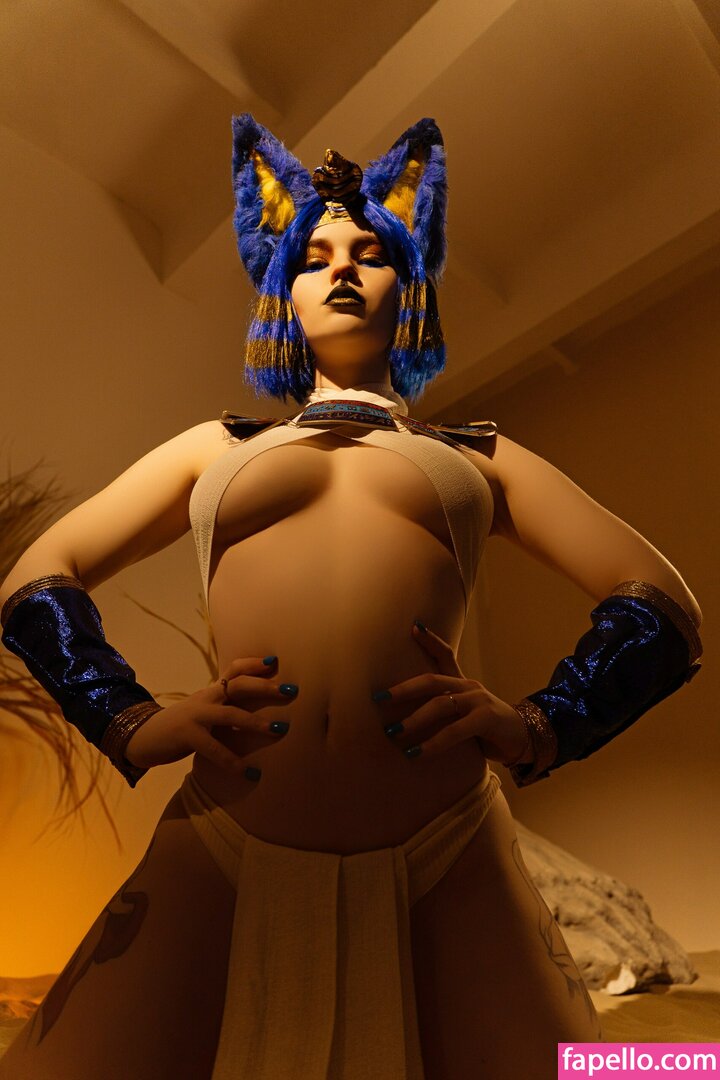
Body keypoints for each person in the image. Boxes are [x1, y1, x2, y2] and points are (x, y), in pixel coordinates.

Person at [0, 115, 702, 1080]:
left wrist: (542, 724)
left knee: (602, 1072)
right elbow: (34, 578)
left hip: (450, 839)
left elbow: (664, 605)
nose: (342, 271)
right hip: (223, 830)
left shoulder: (479, 456)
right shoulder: (215, 448)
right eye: (315, 256)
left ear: (407, 285)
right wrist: (128, 720)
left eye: (370, 255)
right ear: (281, 290)